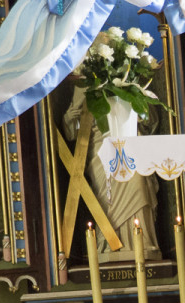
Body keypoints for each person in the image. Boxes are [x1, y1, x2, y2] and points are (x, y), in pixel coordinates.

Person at [62, 85, 161, 264]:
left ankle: (143, 243)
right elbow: (71, 131)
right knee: (106, 196)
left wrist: (139, 103)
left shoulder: (129, 80)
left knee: (138, 182)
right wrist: (73, 113)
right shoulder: (84, 85)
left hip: (130, 144)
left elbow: (151, 121)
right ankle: (110, 243)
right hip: (100, 148)